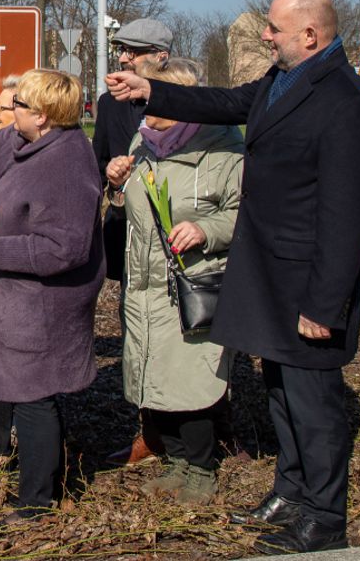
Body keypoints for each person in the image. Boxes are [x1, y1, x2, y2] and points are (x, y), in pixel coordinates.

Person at [106, 0, 360, 555]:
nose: (265, 35)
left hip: (307, 287)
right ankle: (290, 491)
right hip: (271, 279)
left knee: (315, 408)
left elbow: (346, 218)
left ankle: (324, 518)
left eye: (275, 29)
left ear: (309, 35)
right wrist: (149, 89)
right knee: (283, 398)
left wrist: (324, 305)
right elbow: (225, 103)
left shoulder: (345, 103)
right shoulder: (284, 83)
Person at [0, 68, 104, 525]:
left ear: (43, 115)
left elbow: (66, 247)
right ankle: (38, 483)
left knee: (35, 396)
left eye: (17, 104)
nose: (8, 109)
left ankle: (37, 500)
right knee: (20, 390)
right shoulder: (22, 139)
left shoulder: (67, 163)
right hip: (12, 295)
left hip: (41, 304)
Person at [104, 59, 242, 506]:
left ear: (181, 99)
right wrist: (116, 187)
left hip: (191, 285)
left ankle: (202, 469)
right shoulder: (144, 143)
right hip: (144, 284)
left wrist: (206, 229)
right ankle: (178, 462)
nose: (143, 111)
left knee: (192, 379)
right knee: (156, 376)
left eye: (150, 100)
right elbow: (131, 210)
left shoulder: (223, 149)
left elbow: (247, 214)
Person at [93, 18, 172, 469]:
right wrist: (111, 176)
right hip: (128, 232)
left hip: (179, 236)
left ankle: (207, 427)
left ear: (160, 56)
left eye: (133, 51)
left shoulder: (190, 97)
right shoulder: (108, 103)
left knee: (189, 331)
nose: (123, 57)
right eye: (120, 49)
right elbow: (99, 159)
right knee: (137, 330)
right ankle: (150, 432)